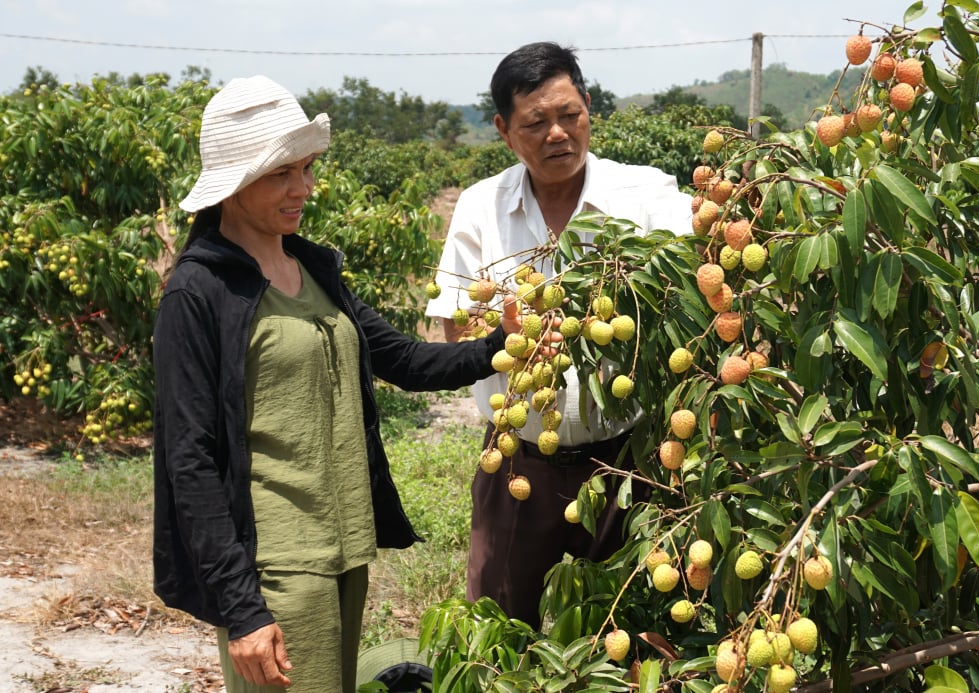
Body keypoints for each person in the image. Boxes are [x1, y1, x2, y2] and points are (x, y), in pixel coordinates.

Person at [152, 75, 517, 692]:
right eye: (281, 174)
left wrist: (502, 346)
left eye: (307, 168)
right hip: (277, 562)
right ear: (235, 183)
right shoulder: (199, 291)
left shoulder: (312, 268)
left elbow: (403, 360)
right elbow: (189, 459)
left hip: (345, 552)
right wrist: (243, 609)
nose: (303, 188)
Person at [425, 42, 692, 629]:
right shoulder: (479, 208)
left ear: (589, 107)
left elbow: (693, 300)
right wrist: (503, 331)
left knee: (633, 630)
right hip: (518, 463)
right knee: (500, 632)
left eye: (569, 115)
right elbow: (455, 325)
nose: (557, 135)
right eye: (535, 123)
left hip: (631, 461)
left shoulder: (647, 197)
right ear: (502, 129)